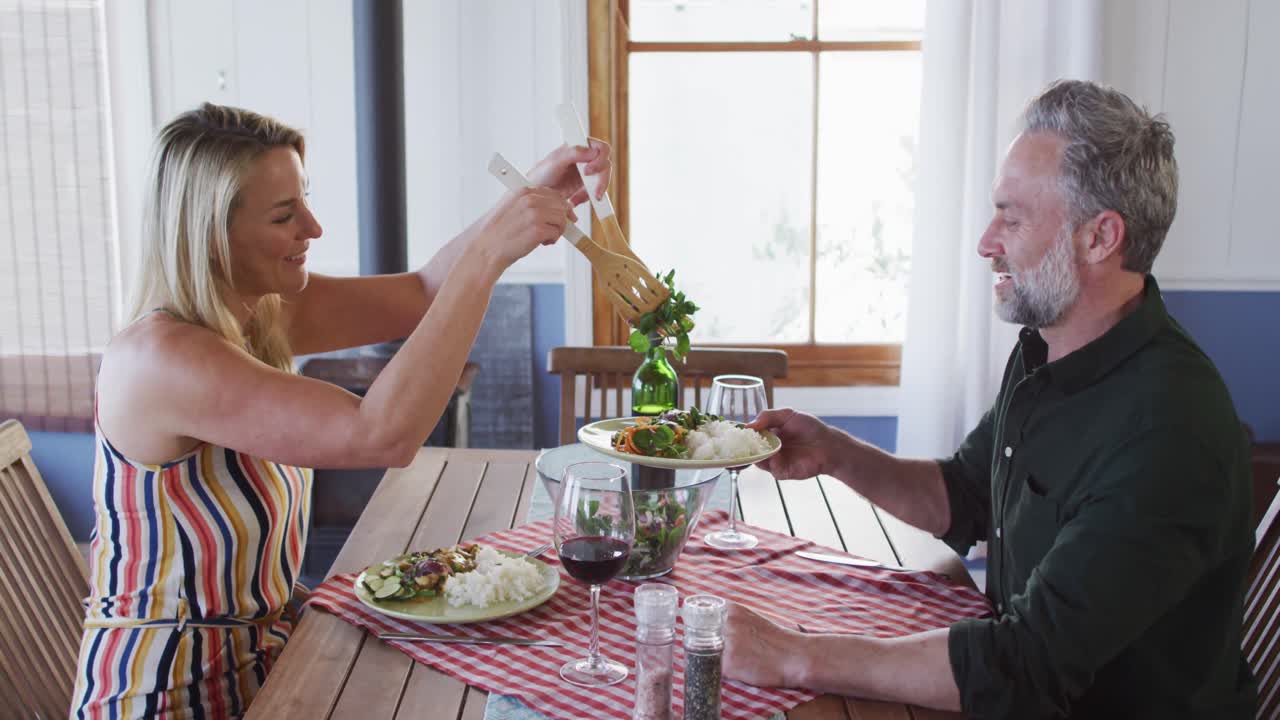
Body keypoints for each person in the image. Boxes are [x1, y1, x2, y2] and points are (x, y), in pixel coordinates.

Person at [723, 79, 1257, 718]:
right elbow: (966, 495)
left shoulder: (1168, 432)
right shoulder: (1045, 349)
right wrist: (834, 453)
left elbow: (1025, 668)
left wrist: (793, 655)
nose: (986, 241)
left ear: (1099, 238)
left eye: (1012, 215)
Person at [71, 102, 610, 717]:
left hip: (263, 666)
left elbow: (421, 294)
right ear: (210, 233)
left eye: (305, 199)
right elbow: (381, 436)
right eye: (285, 215)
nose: (314, 228)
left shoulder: (256, 310)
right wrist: (490, 256)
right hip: (169, 693)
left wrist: (531, 190)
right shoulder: (163, 358)